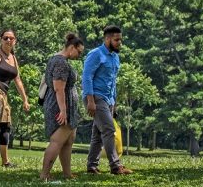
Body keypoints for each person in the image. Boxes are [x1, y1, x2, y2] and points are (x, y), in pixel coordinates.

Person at [82, 25, 133, 175]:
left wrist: (114, 103)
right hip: (96, 97)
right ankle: (116, 166)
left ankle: (92, 166)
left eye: (120, 40)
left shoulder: (115, 57)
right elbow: (87, 77)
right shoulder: (96, 54)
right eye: (117, 40)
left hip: (108, 100)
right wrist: (90, 101)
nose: (119, 43)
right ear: (107, 38)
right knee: (109, 130)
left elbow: (113, 81)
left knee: (98, 134)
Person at [39, 33, 85, 181]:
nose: (79, 55)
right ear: (71, 47)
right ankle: (44, 174)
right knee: (57, 141)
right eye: (79, 52)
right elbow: (59, 89)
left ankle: (67, 173)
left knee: (68, 140)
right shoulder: (61, 63)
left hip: (66, 105)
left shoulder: (57, 59)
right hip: (60, 106)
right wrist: (63, 111)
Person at [0, 29, 30, 168]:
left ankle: (4, 161)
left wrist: (25, 99)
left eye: (11, 38)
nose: (8, 40)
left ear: (15, 41)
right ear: (1, 40)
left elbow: (17, 79)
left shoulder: (13, 57)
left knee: (5, 126)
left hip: (4, 94)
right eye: (6, 38)